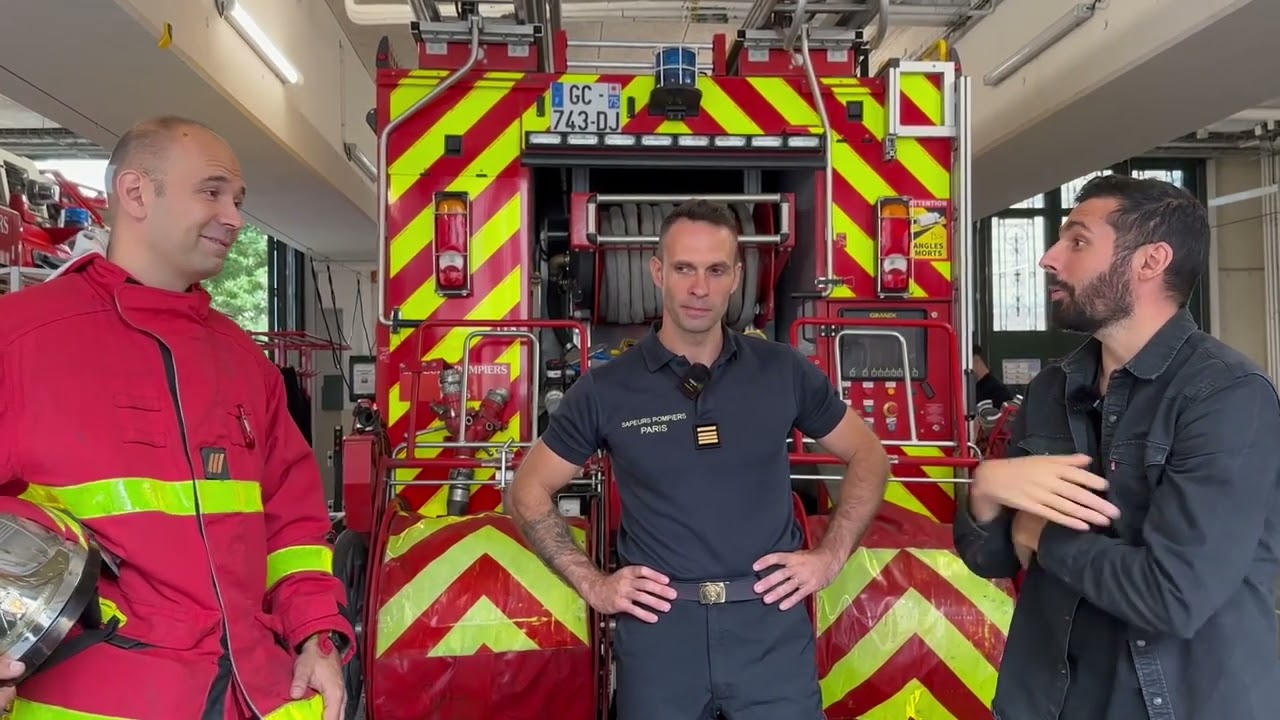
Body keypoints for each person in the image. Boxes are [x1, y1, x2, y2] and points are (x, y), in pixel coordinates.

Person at [0, 116, 353, 719]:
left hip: (259, 694)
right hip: (99, 697)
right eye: (212, 191)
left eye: (237, 200)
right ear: (136, 193)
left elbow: (292, 527)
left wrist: (316, 637)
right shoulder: (21, 340)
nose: (235, 217)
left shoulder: (243, 360)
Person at [508, 199, 891, 719]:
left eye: (715, 270)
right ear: (658, 272)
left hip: (770, 631)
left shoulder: (783, 371)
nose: (699, 288)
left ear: (736, 277)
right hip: (663, 636)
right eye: (684, 268)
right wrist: (591, 581)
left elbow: (868, 454)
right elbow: (528, 490)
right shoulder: (606, 390)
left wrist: (830, 556)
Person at [954, 174, 1280, 720]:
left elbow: (1173, 597)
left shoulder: (1226, 395)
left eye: (1077, 241)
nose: (1049, 259)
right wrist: (986, 493)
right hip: (1051, 702)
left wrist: (1042, 535)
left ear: (1150, 261)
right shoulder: (1051, 389)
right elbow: (992, 557)